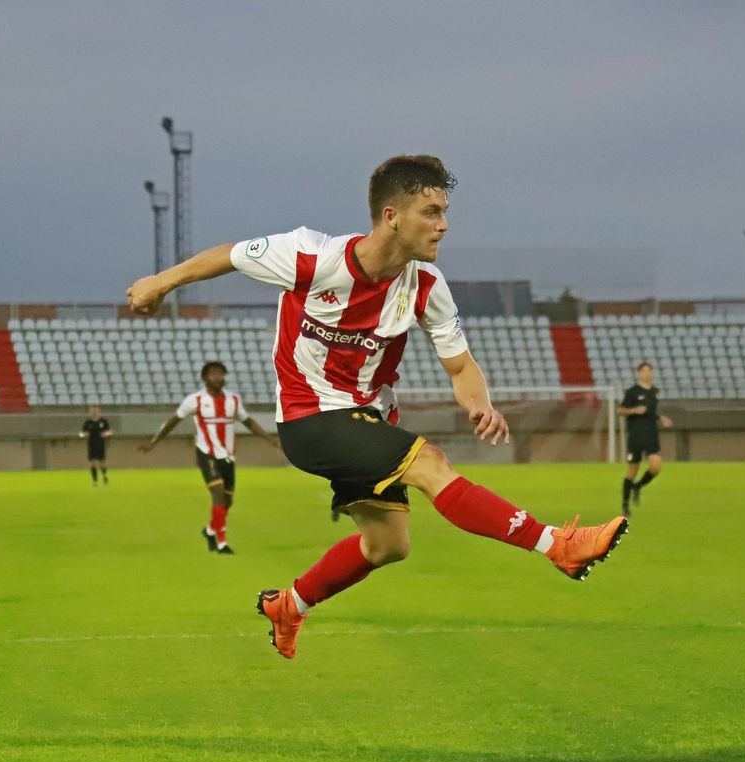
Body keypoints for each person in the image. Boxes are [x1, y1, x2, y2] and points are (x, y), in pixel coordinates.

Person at [126, 154, 628, 659]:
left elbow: (460, 367)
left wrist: (482, 404)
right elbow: (231, 255)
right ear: (392, 216)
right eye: (431, 212)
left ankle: (290, 606)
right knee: (430, 464)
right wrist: (160, 282)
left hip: (366, 418)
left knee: (388, 546)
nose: (444, 225)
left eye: (445, 212)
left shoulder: (427, 287)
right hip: (309, 417)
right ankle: (556, 545)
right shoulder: (311, 256)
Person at [140, 361, 279, 554]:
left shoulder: (233, 400)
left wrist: (270, 438)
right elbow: (174, 420)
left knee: (227, 501)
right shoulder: (195, 400)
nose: (217, 377)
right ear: (205, 377)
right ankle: (221, 542)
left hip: (228, 456)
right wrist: (154, 442)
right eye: (213, 373)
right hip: (207, 454)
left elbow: (248, 421)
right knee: (218, 494)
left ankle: (210, 530)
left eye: (220, 374)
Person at [617, 362, 673, 515]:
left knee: (656, 467)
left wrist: (661, 417)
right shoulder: (632, 392)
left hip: (651, 435)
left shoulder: (654, 391)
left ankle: (638, 486)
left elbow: (650, 411)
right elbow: (620, 410)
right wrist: (635, 410)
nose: (646, 373)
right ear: (638, 373)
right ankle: (625, 505)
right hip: (636, 435)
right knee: (632, 471)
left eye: (649, 371)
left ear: (652, 373)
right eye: (643, 371)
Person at [79, 404, 114, 487]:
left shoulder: (103, 421)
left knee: (102, 462)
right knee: (93, 463)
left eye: (95, 410)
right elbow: (82, 432)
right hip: (91, 444)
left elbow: (110, 431)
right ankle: (95, 481)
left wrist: (106, 434)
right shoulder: (88, 422)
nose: (94, 412)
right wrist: (82, 435)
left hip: (101, 444)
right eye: (92, 411)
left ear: (99, 411)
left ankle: (105, 476)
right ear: (90, 412)